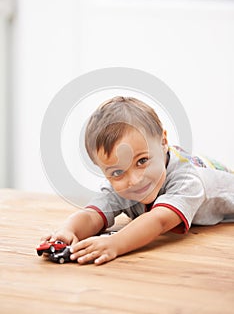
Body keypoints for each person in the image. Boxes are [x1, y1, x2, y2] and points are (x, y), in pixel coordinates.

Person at [41, 96, 234, 265]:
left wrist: (115, 243)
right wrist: (68, 231)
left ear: (163, 142)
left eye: (142, 161)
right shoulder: (122, 186)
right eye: (116, 172)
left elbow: (158, 220)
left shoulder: (186, 179)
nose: (134, 180)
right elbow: (92, 214)